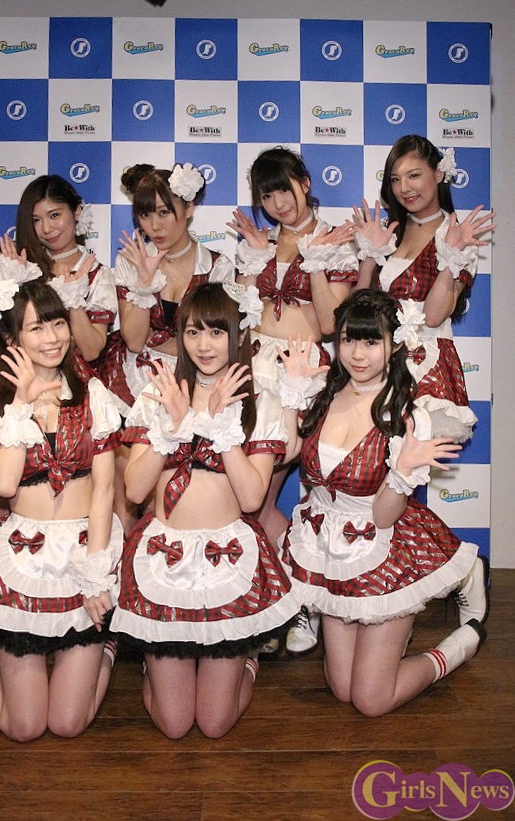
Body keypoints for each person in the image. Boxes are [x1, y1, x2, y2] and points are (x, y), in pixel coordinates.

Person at [277, 289, 488, 717]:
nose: (358, 354)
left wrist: (403, 470)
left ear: (393, 345)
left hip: (385, 551)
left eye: (371, 341)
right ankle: (389, 645)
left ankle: (458, 647)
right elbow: (287, 454)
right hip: (329, 550)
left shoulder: (405, 413)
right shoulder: (322, 392)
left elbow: (384, 515)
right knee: (341, 689)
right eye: (349, 340)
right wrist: (290, 396)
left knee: (370, 700)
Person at [111, 282, 303, 739]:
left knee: (215, 724)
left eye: (217, 332)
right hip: (163, 559)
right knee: (175, 724)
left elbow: (252, 499)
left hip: (227, 561)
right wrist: (173, 427)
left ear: (237, 334)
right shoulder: (160, 391)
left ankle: (247, 657)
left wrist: (220, 427)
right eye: (193, 332)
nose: (204, 345)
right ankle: (155, 664)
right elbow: (135, 490)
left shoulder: (259, 401)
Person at [0, 277, 123, 741]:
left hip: (85, 551)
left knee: (67, 724)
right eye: (36, 328)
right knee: (24, 727)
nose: (52, 337)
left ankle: (108, 645)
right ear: (12, 339)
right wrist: (20, 404)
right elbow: (3, 484)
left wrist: (96, 574)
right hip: (22, 558)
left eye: (57, 323)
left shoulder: (92, 393)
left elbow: (104, 489)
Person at [228, 145, 358, 655]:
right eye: (267, 195)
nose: (278, 202)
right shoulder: (260, 242)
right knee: (251, 501)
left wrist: (318, 261)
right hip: (252, 371)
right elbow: (242, 315)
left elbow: (329, 324)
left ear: (304, 182)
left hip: (300, 374)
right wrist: (250, 261)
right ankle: (285, 601)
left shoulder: (335, 240)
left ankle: (303, 600)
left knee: (272, 498)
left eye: (284, 188)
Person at [0, 174, 118, 527]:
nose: (46, 228)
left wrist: (73, 301)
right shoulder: (21, 264)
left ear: (76, 212)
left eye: (55, 215)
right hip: (13, 378)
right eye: (36, 219)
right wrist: (10, 281)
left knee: (83, 483)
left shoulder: (97, 273)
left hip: (68, 381)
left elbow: (92, 349)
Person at [353, 134, 496, 443]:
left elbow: (432, 317)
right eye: (395, 179)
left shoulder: (456, 236)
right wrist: (369, 258)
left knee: (410, 461)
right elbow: (354, 313)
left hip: (424, 365)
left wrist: (451, 257)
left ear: (439, 174)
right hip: (375, 360)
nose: (404, 188)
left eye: (414, 175)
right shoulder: (387, 231)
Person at [105, 161, 235, 414]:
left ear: (189, 208)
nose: (154, 226)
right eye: (145, 215)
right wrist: (144, 282)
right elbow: (135, 342)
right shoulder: (129, 261)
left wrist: (160, 341)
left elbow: (217, 341)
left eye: (164, 212)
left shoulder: (218, 268)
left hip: (195, 378)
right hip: (133, 376)